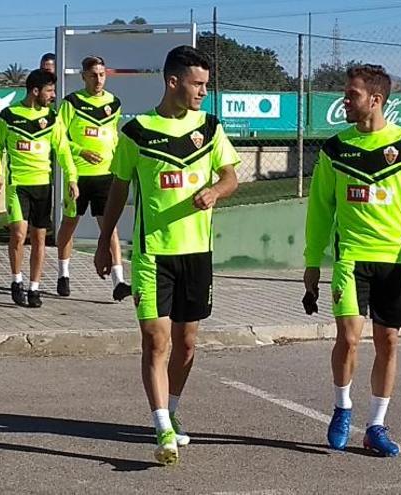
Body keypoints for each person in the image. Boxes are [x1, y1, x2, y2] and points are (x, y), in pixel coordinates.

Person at [94, 45, 240, 465]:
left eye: (206, 86)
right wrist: (105, 242)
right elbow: (119, 188)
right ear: (173, 81)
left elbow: (231, 176)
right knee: (155, 340)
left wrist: (214, 190)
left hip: (198, 254)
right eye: (197, 84)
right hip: (154, 255)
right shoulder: (135, 131)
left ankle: (171, 411)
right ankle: (161, 429)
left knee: (187, 343)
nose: (203, 93)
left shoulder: (210, 128)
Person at [303, 64, 401, 457]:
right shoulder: (335, 149)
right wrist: (311, 261)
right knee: (349, 338)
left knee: (387, 342)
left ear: (376, 100)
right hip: (350, 259)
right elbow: (320, 209)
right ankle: (342, 409)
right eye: (345, 93)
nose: (345, 100)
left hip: (392, 261)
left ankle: (376, 425)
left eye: (351, 94)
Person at [0, 69, 78, 308]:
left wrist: (72, 178)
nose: (53, 95)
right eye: (49, 90)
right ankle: (16, 280)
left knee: (40, 238)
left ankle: (34, 288)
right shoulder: (9, 115)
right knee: (19, 234)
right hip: (18, 184)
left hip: (43, 185)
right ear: (35, 91)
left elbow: (63, 149)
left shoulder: (52, 118)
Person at [55, 56, 131, 300]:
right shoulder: (72, 103)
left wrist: (120, 165)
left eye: (102, 74)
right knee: (69, 225)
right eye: (93, 75)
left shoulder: (114, 103)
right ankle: (63, 273)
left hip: (106, 176)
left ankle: (119, 281)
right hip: (78, 176)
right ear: (84, 76)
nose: (98, 80)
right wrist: (80, 152)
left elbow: (114, 137)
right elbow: (59, 138)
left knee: (110, 229)